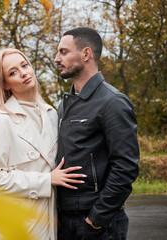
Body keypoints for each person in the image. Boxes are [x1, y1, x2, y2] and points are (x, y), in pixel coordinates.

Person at [0, 48, 85, 240]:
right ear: (5, 84)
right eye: (13, 72)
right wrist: (46, 180)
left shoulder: (52, 114)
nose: (23, 73)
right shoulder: (1, 120)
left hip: (47, 225)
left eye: (25, 65)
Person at [54, 27, 139, 240]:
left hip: (98, 224)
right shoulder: (63, 105)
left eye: (63, 52)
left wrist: (96, 220)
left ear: (86, 54)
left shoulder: (113, 102)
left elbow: (125, 167)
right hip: (64, 221)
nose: (56, 59)